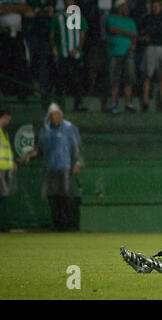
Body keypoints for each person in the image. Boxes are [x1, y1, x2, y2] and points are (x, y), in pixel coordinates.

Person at [22, 103, 83, 231]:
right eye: (52, 115)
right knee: (53, 198)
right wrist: (29, 155)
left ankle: (68, 225)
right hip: (50, 168)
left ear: (60, 115)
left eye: (56, 114)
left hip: (65, 167)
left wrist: (77, 162)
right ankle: (57, 225)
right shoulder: (45, 130)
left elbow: (76, 148)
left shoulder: (69, 128)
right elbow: (39, 149)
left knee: (66, 197)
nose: (54, 117)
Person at [50, 0, 88, 112]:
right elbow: (52, 34)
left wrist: (77, 49)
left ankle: (78, 105)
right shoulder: (58, 17)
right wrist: (54, 48)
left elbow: (82, 34)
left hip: (75, 54)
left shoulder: (79, 17)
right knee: (60, 80)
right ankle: (59, 105)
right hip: (63, 53)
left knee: (77, 81)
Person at [139, 0, 162, 112]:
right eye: (154, 6)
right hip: (151, 47)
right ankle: (145, 101)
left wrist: (156, 35)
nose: (155, 8)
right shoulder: (147, 19)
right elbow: (144, 33)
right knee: (148, 75)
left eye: (157, 6)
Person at [106, 0, 138, 114]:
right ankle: (113, 104)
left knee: (128, 79)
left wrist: (133, 44)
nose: (127, 9)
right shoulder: (111, 18)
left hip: (128, 54)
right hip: (114, 53)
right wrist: (127, 33)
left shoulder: (130, 21)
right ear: (119, 8)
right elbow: (112, 29)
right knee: (114, 80)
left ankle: (128, 104)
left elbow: (134, 35)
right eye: (125, 7)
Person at [0, 109, 17, 231]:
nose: (8, 121)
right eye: (7, 118)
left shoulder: (4, 132)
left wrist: (12, 163)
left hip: (4, 170)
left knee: (2, 198)